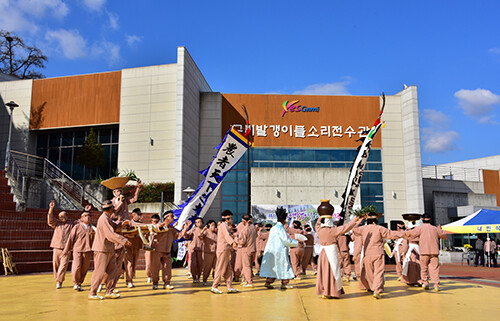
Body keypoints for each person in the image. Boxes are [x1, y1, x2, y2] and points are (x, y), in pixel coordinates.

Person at [89, 200, 131, 300]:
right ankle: (92, 293)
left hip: (109, 249)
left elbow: (114, 228)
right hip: (101, 249)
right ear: (111, 209)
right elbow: (110, 234)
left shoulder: (107, 218)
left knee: (113, 270)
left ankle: (109, 291)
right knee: (99, 272)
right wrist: (124, 241)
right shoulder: (103, 219)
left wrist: (122, 225)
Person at [353, 212, 402, 299]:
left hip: (367, 253)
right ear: (376, 221)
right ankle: (376, 290)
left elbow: (354, 229)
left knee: (369, 272)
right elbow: (391, 234)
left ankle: (372, 287)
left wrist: (358, 221)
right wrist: (403, 234)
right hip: (378, 253)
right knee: (378, 272)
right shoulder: (380, 228)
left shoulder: (363, 229)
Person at [315, 215, 361, 299]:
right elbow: (346, 227)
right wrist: (355, 220)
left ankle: (324, 291)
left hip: (323, 253)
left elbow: (317, 225)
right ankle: (333, 292)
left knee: (324, 272)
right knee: (334, 272)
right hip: (331, 251)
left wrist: (320, 217)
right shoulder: (333, 231)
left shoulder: (319, 230)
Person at [405, 213, 448, 291]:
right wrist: (440, 229)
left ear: (422, 219)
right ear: (430, 219)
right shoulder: (435, 229)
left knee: (423, 268)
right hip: (434, 251)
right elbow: (444, 235)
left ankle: (425, 282)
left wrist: (406, 231)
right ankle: (436, 284)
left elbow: (410, 235)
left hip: (424, 251)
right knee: (434, 268)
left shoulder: (420, 228)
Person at [111, 180, 143, 283]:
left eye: (120, 191)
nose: (119, 192)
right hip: (117, 224)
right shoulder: (112, 202)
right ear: (114, 193)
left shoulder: (124, 200)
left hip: (127, 222)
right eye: (117, 191)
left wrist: (138, 188)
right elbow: (113, 212)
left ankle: (129, 279)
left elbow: (134, 198)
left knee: (138, 225)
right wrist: (119, 201)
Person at [260, 207, 299, 290]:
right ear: (284, 220)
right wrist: (296, 242)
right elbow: (285, 240)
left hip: (272, 251)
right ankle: (284, 283)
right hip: (280, 252)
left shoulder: (273, 228)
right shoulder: (281, 229)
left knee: (273, 267)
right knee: (284, 266)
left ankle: (268, 282)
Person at [150, 211, 189, 290]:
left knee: (167, 267)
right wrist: (163, 226)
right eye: (171, 216)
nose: (173, 218)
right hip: (157, 250)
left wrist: (185, 229)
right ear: (166, 217)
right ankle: (155, 283)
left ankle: (166, 283)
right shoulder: (158, 225)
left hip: (167, 251)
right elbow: (157, 229)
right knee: (155, 267)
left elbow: (178, 236)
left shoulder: (171, 229)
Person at [62, 205, 93, 291]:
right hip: (78, 250)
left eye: (89, 216)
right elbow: (70, 239)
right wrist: (66, 250)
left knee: (85, 267)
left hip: (88, 250)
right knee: (77, 266)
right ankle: (75, 283)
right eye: (85, 216)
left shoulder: (92, 228)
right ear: (81, 218)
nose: (88, 218)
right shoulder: (77, 226)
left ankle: (80, 283)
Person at [211, 210, 239, 294]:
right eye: (230, 218)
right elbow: (227, 236)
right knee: (221, 267)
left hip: (227, 250)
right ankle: (214, 286)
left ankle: (229, 286)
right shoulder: (223, 225)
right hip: (223, 250)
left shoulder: (226, 226)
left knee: (228, 269)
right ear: (227, 218)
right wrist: (233, 242)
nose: (231, 219)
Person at [47, 200, 73, 289]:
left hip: (66, 248)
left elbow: (81, 221)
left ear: (67, 216)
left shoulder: (71, 224)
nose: (62, 218)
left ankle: (59, 281)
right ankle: (57, 279)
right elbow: (50, 219)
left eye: (63, 216)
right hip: (56, 247)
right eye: (60, 216)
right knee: (56, 265)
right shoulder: (57, 223)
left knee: (63, 266)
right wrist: (51, 208)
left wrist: (86, 211)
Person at [124, 208, 145, 288]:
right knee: (129, 263)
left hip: (136, 246)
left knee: (134, 264)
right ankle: (129, 280)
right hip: (128, 246)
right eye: (138, 214)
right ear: (133, 214)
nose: (139, 216)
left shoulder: (141, 224)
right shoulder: (129, 223)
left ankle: (130, 278)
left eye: (140, 214)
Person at [237, 214, 257, 287]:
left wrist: (237, 240)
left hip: (246, 250)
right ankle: (246, 280)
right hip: (253, 249)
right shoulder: (254, 227)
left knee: (246, 266)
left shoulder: (245, 229)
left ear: (243, 220)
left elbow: (242, 242)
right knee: (250, 266)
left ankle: (249, 282)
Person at [184, 217, 204, 283]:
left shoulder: (204, 230)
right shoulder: (193, 230)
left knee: (200, 264)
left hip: (201, 249)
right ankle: (194, 277)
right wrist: (185, 229)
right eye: (197, 222)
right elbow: (187, 235)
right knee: (193, 264)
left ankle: (198, 276)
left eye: (200, 222)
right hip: (193, 249)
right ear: (195, 223)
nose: (199, 223)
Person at [200, 220, 217, 285]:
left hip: (215, 253)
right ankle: (204, 280)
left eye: (214, 225)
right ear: (208, 226)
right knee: (207, 267)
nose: (213, 227)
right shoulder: (206, 232)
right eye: (212, 225)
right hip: (208, 253)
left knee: (216, 267)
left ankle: (215, 280)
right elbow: (200, 236)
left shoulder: (216, 233)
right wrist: (203, 230)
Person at [145, 214, 161, 283]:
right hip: (149, 247)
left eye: (156, 222)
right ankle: (149, 276)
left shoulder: (161, 227)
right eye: (153, 221)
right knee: (148, 263)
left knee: (156, 264)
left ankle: (155, 278)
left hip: (157, 248)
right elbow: (145, 236)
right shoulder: (148, 227)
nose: (155, 223)